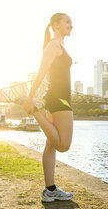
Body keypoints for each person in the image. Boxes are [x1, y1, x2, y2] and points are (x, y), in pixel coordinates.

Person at [22, 13, 74, 202]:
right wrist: (30, 98)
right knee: (64, 145)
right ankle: (35, 112)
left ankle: (50, 190)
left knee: (51, 144)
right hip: (58, 99)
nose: (71, 24)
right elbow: (41, 72)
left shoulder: (60, 45)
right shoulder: (53, 45)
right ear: (56, 24)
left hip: (59, 98)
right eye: (67, 21)